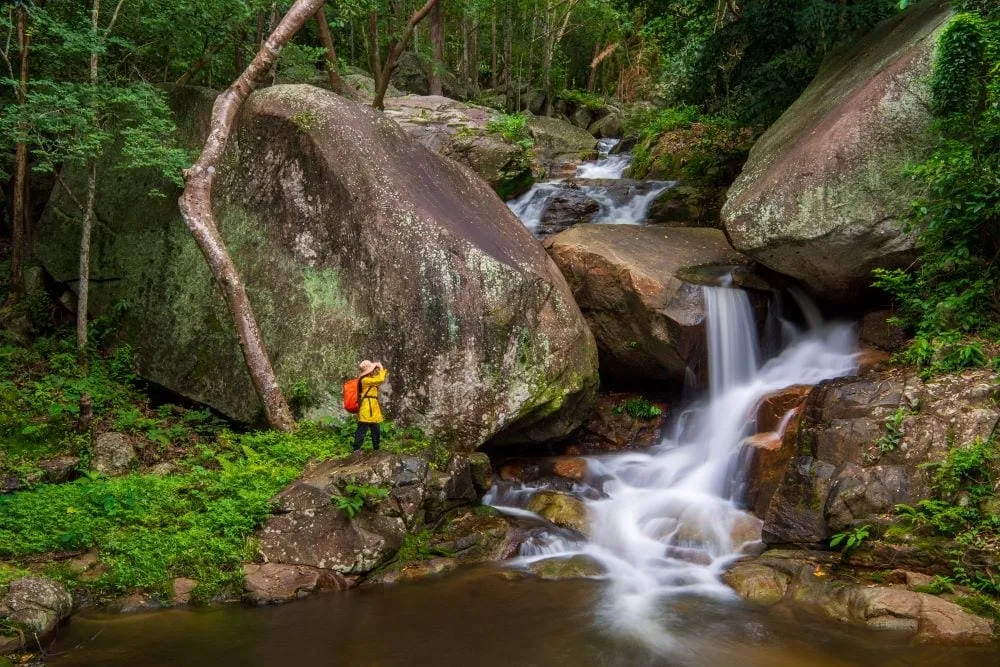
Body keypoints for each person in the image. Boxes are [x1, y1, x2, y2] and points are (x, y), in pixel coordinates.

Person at [354, 359, 387, 452]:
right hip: (367, 407)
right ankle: (356, 449)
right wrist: (381, 368)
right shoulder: (365, 380)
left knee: (376, 430)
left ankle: (376, 448)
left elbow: (378, 379)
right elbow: (380, 379)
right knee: (362, 429)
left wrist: (376, 369)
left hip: (373, 407)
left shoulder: (370, 379)